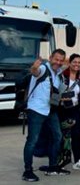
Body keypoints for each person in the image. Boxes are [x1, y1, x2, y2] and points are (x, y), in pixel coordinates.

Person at [22, 51, 66, 181]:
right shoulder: (43, 68)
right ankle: (27, 171)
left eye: (61, 60)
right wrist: (34, 67)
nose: (58, 62)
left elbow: (54, 93)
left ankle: (52, 166)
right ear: (51, 58)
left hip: (50, 110)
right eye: (56, 59)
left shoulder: (58, 75)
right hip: (36, 110)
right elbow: (35, 72)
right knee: (32, 141)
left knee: (57, 136)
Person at [57, 53, 80, 171]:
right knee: (63, 136)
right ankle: (61, 160)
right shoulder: (61, 77)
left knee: (76, 135)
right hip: (63, 109)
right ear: (69, 63)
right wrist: (60, 99)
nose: (77, 64)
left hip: (75, 109)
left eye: (79, 62)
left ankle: (77, 160)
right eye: (74, 62)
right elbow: (54, 92)